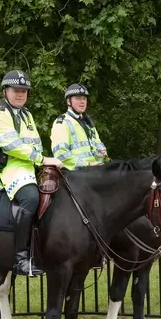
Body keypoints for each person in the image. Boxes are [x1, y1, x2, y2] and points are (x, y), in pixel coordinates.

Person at [0, 70, 63, 277]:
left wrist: (44, 163)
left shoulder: (26, 114)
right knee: (30, 198)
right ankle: (20, 258)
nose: (20, 94)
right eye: (16, 90)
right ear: (5, 91)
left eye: (24, 91)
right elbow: (12, 146)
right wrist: (42, 160)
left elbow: (34, 143)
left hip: (29, 166)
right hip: (9, 167)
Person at [50, 83, 109, 268]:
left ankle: (99, 250)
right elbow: (61, 154)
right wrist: (88, 163)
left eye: (84, 98)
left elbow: (100, 149)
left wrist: (102, 155)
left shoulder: (88, 123)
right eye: (78, 98)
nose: (82, 101)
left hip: (93, 176)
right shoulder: (62, 123)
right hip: (73, 175)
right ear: (69, 101)